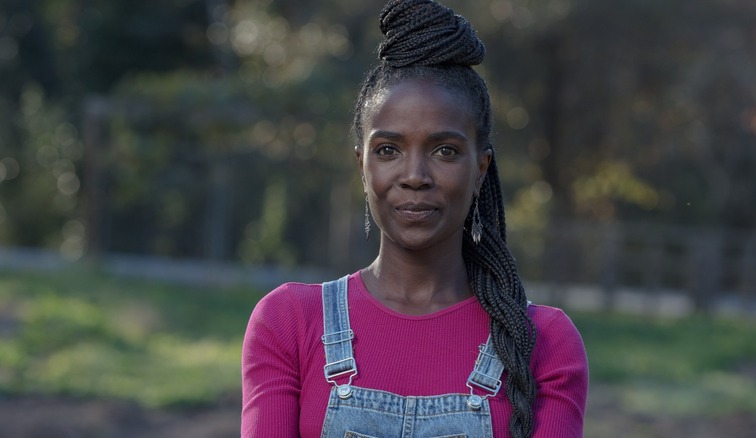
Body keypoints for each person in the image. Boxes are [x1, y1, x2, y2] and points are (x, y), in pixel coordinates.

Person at [241, 0, 588, 437]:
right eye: (388, 150)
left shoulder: (546, 342)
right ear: (361, 166)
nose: (415, 176)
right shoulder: (288, 321)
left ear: (480, 169)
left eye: (445, 150)